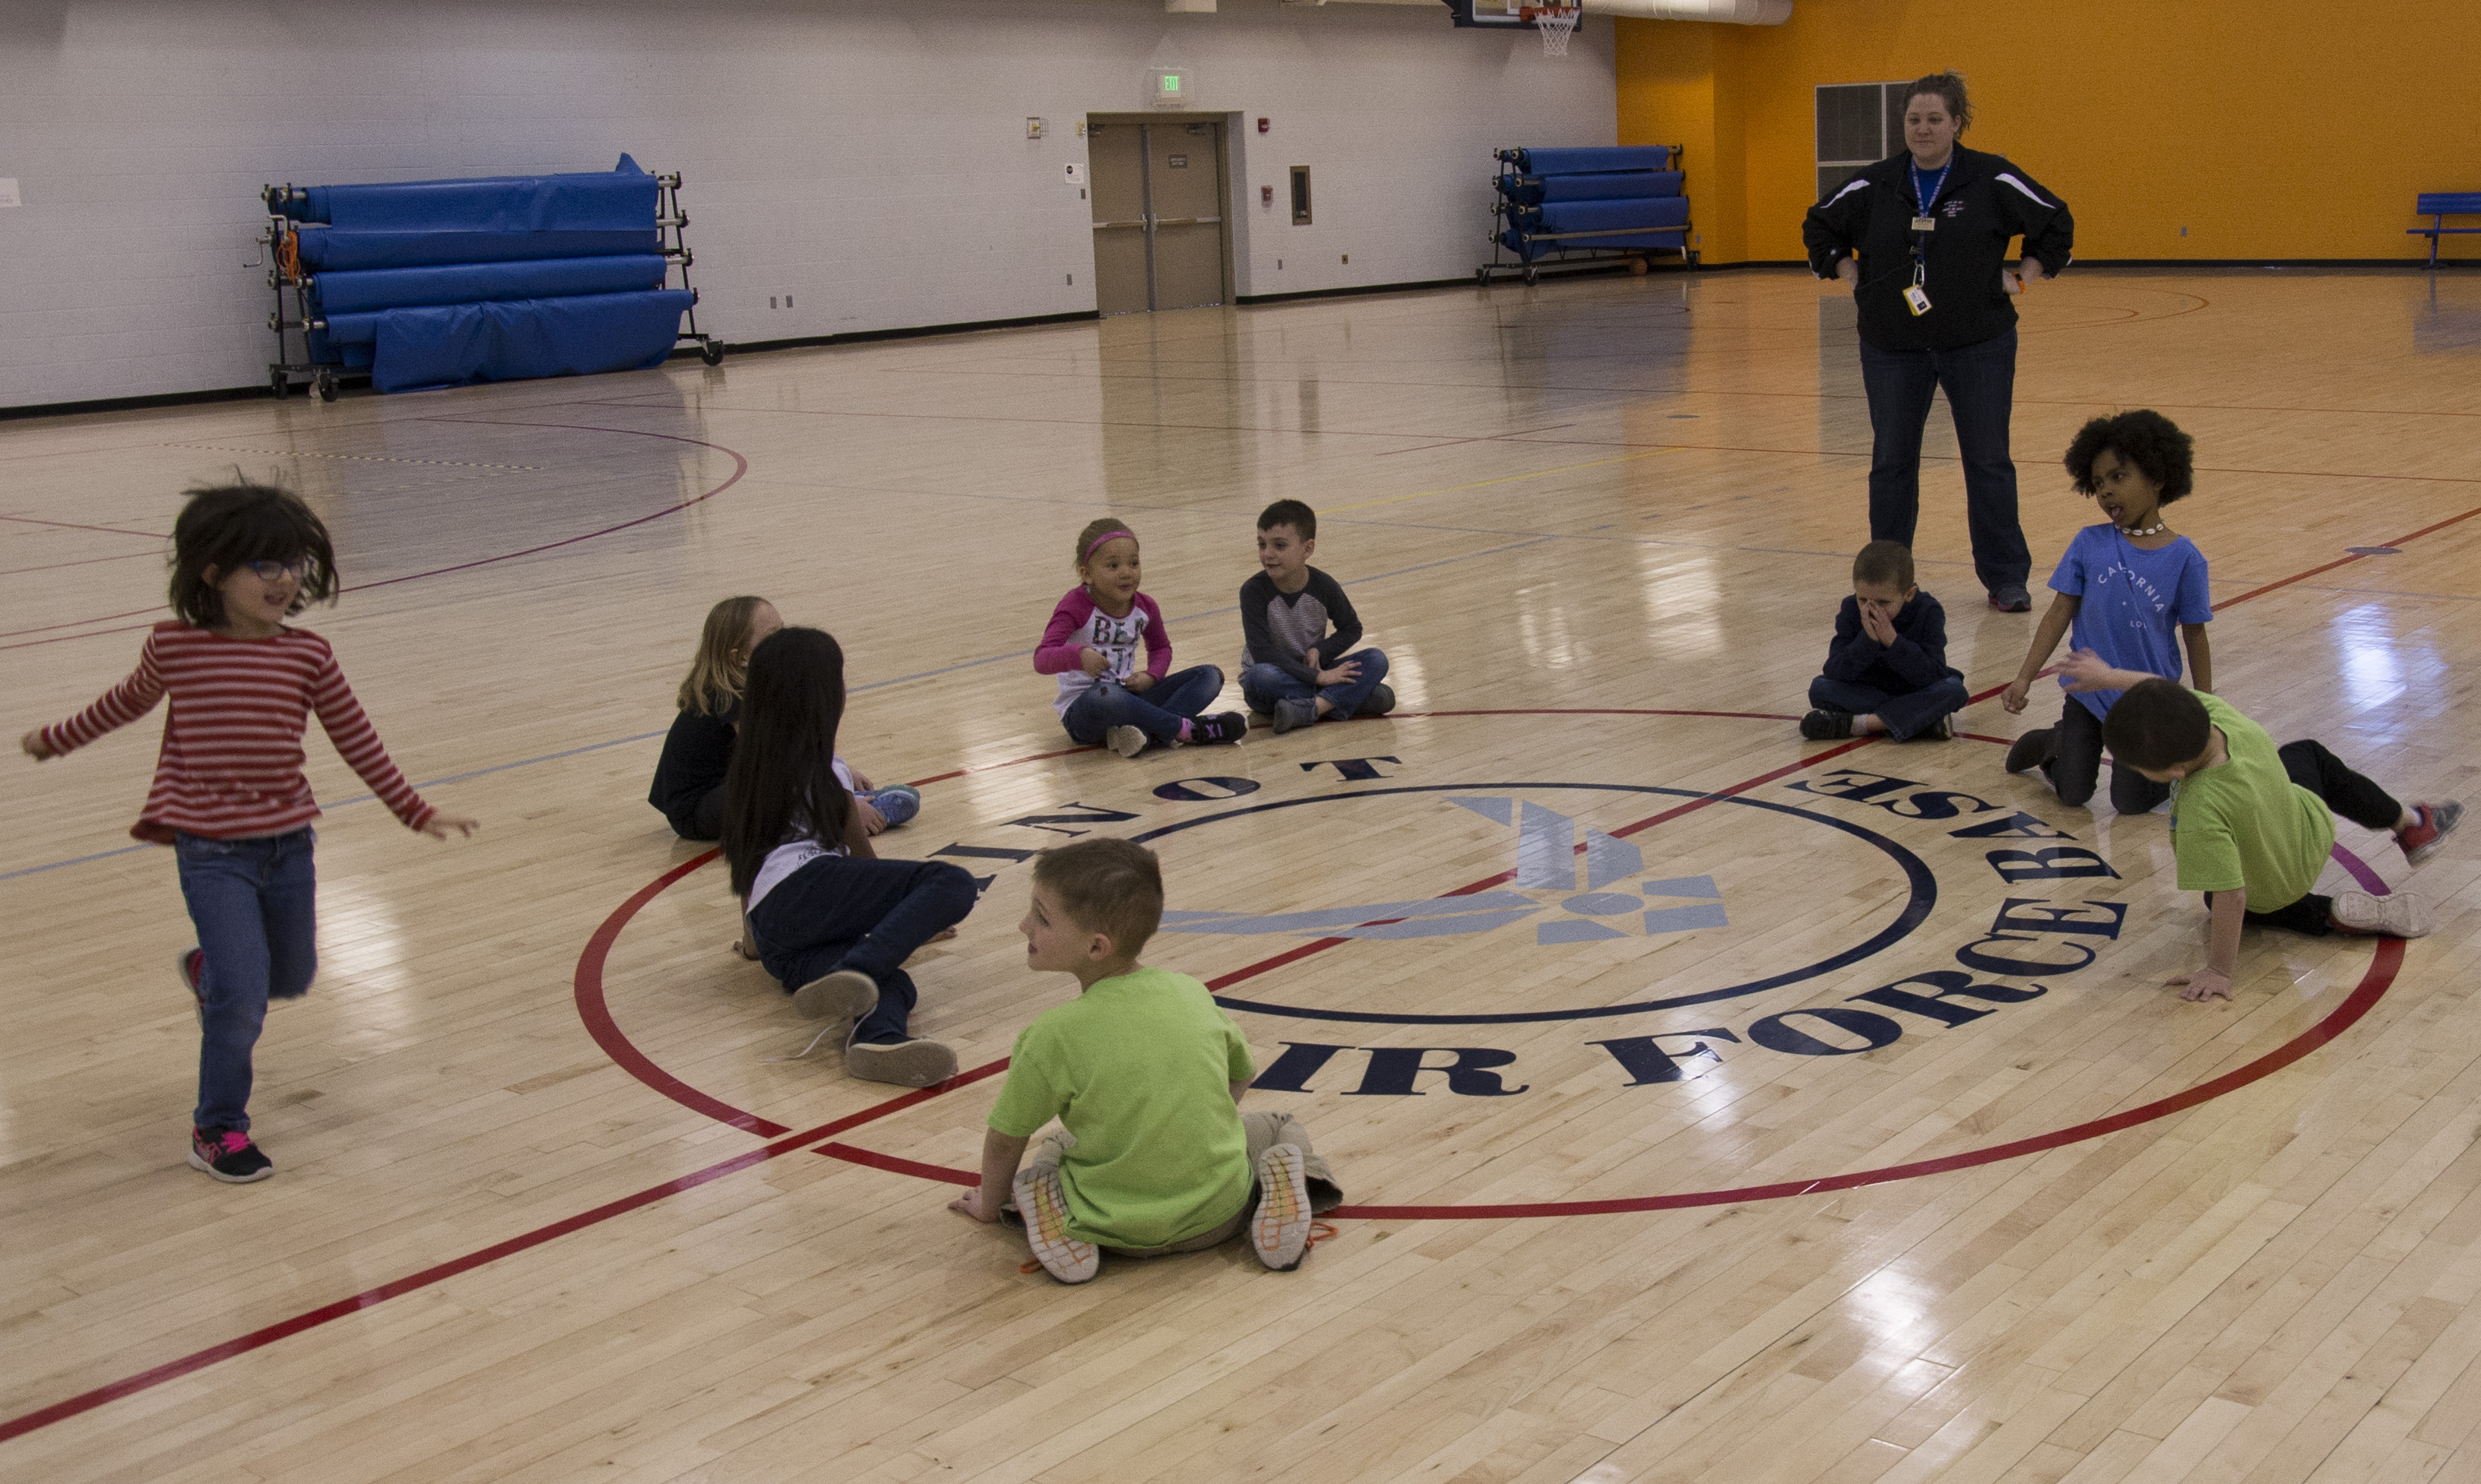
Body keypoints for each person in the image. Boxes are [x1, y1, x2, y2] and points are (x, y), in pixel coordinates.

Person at [20, 479, 479, 1183]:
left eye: (293, 562)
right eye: (264, 566)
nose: (285, 578)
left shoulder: (308, 656)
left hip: (288, 842)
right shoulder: (175, 647)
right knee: (243, 995)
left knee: (288, 976)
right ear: (213, 573)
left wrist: (414, 809)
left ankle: (209, 971)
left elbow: (357, 737)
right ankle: (219, 1128)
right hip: (210, 849)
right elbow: (124, 703)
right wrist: (59, 738)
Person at [949, 838, 1340, 1283]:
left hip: (1114, 1232)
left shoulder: (1052, 1034)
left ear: (1097, 948)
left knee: (1053, 1149)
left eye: (1041, 917)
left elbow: (1005, 1139)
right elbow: (1244, 1071)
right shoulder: (1191, 992)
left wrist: (987, 1205)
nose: (1024, 926)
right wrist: (1193, 1129)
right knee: (1281, 1124)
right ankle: (1282, 1190)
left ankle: (1058, 1223)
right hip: (1218, 1220)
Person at [1801, 69, 2075, 612]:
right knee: (1892, 461)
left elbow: (2055, 220)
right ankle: (1887, 580)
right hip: (1892, 346)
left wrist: (2024, 276)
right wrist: (1848, 273)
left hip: (1978, 343)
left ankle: (2005, 577)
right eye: (1913, 120)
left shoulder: (1991, 179)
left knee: (1988, 458)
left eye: (1934, 120)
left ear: (1956, 123)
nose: (1923, 129)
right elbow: (1819, 225)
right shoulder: (1875, 185)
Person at [2067, 653, 2462, 1001]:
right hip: (2311, 830)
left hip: (2272, 890)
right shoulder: (2218, 715)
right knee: (2307, 754)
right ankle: (2411, 823)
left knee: (2230, 899)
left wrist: (2219, 970)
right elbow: (2163, 691)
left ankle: (2325, 914)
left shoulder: (2198, 810)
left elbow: (2232, 895)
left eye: (2137, 768)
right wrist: (2111, 675)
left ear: (2174, 772)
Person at [723, 626, 977, 1087]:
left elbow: (747, 865)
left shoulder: (750, 766)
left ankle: (875, 1043)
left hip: (779, 938)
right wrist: (908, 915)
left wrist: (756, 945)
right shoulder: (826, 767)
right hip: (805, 887)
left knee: (892, 982)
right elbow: (860, 856)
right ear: (823, 695)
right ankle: (858, 966)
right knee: (953, 883)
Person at [2002, 411, 2212, 814]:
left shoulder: (2186, 558)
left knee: (2130, 802)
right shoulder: (2088, 543)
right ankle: (2051, 742)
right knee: (2074, 793)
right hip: (2088, 692)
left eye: (2118, 477)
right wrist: (2024, 677)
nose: (2106, 492)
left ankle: (2160, 771)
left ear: (2157, 477)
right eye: (2098, 483)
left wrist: (2204, 706)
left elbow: (2195, 635)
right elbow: (2058, 612)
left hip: (2145, 698)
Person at [650, 595, 918, 841]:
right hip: (700, 810)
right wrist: (838, 798)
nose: (783, 641)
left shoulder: (752, 687)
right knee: (775, 788)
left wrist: (839, 770)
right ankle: (840, 815)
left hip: (725, 791)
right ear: (740, 657)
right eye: (773, 635)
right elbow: (777, 762)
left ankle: (845, 803)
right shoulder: (726, 697)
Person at [1035, 518, 1245, 758]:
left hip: (1131, 698)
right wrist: (1079, 655)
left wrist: (1151, 675)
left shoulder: (1146, 607)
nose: (1126, 573)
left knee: (1209, 675)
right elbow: (1041, 658)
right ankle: (1184, 730)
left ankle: (1142, 734)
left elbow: (1161, 648)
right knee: (1106, 693)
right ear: (1087, 574)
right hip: (1086, 710)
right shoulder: (1074, 606)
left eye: (1134, 563)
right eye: (1113, 566)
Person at [1238, 499, 1396, 734]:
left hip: (1312, 671)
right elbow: (1263, 652)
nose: (1267, 554)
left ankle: (1311, 709)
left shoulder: (1324, 586)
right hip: (1274, 679)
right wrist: (1318, 677)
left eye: (1279, 546)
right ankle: (1358, 700)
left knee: (1377, 659)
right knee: (1260, 676)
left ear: (1307, 549)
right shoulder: (1253, 591)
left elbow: (1351, 628)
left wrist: (1320, 650)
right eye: (1262, 544)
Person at [1801, 540, 1968, 742]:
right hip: (1869, 692)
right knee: (1820, 688)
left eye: (1884, 603)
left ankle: (1861, 724)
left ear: (1909, 594)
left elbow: (1933, 675)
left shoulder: (1928, 611)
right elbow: (1835, 671)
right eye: (1863, 600)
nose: (1873, 609)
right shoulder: (1851, 609)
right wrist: (1867, 641)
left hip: (1912, 690)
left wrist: (1894, 643)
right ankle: (1922, 721)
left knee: (1953, 689)